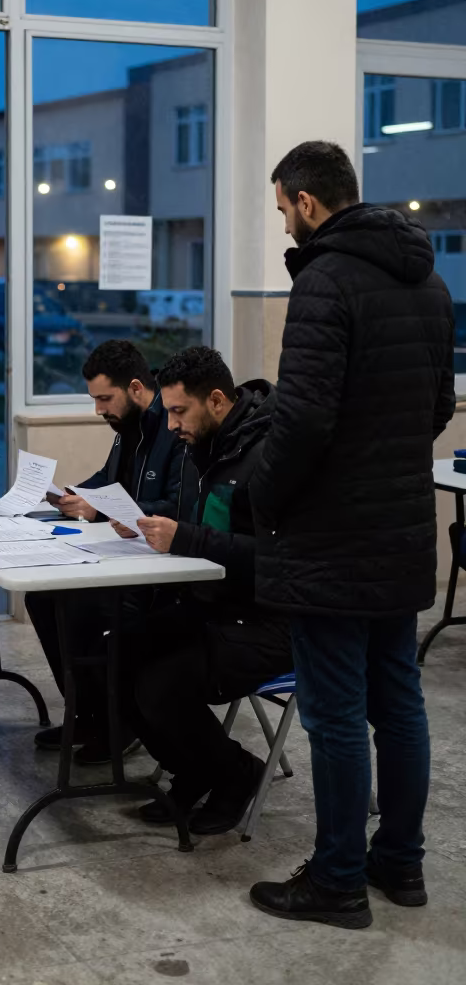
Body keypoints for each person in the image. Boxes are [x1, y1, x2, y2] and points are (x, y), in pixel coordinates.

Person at [247, 142, 455, 930]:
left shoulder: (326, 280)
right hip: (401, 526)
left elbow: (300, 420)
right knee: (398, 701)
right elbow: (438, 407)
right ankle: (399, 864)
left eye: (281, 211)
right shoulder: (430, 281)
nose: (284, 228)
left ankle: (337, 881)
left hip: (331, 536)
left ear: (306, 202)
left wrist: (261, 495)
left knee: (334, 715)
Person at [112, 347, 291, 832]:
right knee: (116, 653)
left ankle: (235, 774)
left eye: (177, 411)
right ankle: (194, 772)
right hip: (211, 606)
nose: (170, 425)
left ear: (215, 400)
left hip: (269, 621)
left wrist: (184, 536)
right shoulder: (199, 447)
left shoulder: (272, 453)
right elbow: (195, 527)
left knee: (162, 682)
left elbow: (282, 556)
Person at [26, 339, 195, 765]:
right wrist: (75, 495)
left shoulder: (175, 428)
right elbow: (108, 478)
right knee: (44, 596)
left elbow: (181, 505)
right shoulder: (127, 429)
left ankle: (119, 721)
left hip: (162, 567)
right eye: (95, 400)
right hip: (124, 553)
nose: (99, 410)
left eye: (105, 398)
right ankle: (89, 712)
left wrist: (99, 508)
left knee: (87, 607)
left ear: (136, 388)